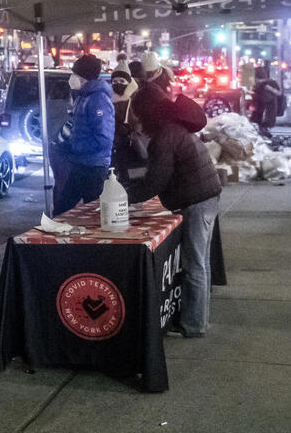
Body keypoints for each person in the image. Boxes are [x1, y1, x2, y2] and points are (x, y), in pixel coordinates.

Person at [127, 83, 220, 337]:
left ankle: (193, 325)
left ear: (147, 111)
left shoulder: (165, 135)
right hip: (207, 195)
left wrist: (126, 198)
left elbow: (157, 180)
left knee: (195, 264)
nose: (136, 118)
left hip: (198, 200)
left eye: (137, 112)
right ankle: (199, 318)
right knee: (201, 263)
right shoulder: (173, 128)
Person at [54, 54, 115, 215]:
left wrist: (75, 147)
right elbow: (78, 128)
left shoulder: (98, 100)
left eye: (75, 74)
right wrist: (67, 145)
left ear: (84, 76)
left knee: (92, 213)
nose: (72, 78)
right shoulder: (83, 96)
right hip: (79, 163)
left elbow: (104, 138)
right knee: (62, 210)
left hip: (94, 167)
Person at [109, 69, 144, 187]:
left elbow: (141, 119)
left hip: (131, 142)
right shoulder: (108, 99)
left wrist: (133, 131)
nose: (117, 84)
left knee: (133, 176)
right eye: (114, 81)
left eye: (121, 81)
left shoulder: (136, 99)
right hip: (114, 143)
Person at [250, 67, 281, 138]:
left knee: (261, 131)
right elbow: (279, 93)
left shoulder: (264, 85)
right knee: (264, 130)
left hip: (262, 112)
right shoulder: (271, 83)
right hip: (268, 112)